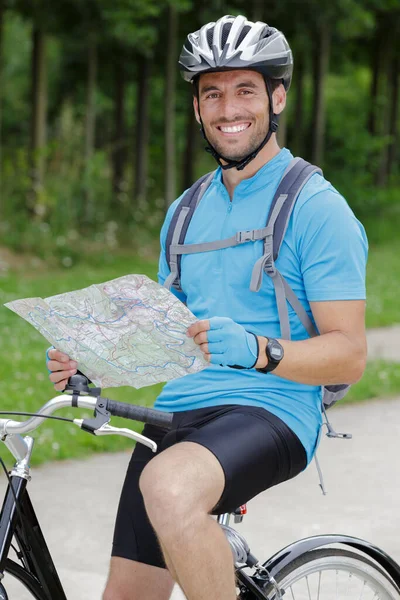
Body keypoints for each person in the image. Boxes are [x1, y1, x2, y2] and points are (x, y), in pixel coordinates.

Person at [47, 14, 368, 600]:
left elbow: (348, 356)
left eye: (245, 90)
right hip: (178, 415)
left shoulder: (318, 208)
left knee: (170, 488)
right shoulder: (187, 210)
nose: (228, 109)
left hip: (272, 411)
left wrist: (259, 351)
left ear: (276, 98)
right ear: (197, 108)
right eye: (212, 93)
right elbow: (166, 331)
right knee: (127, 595)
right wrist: (91, 357)